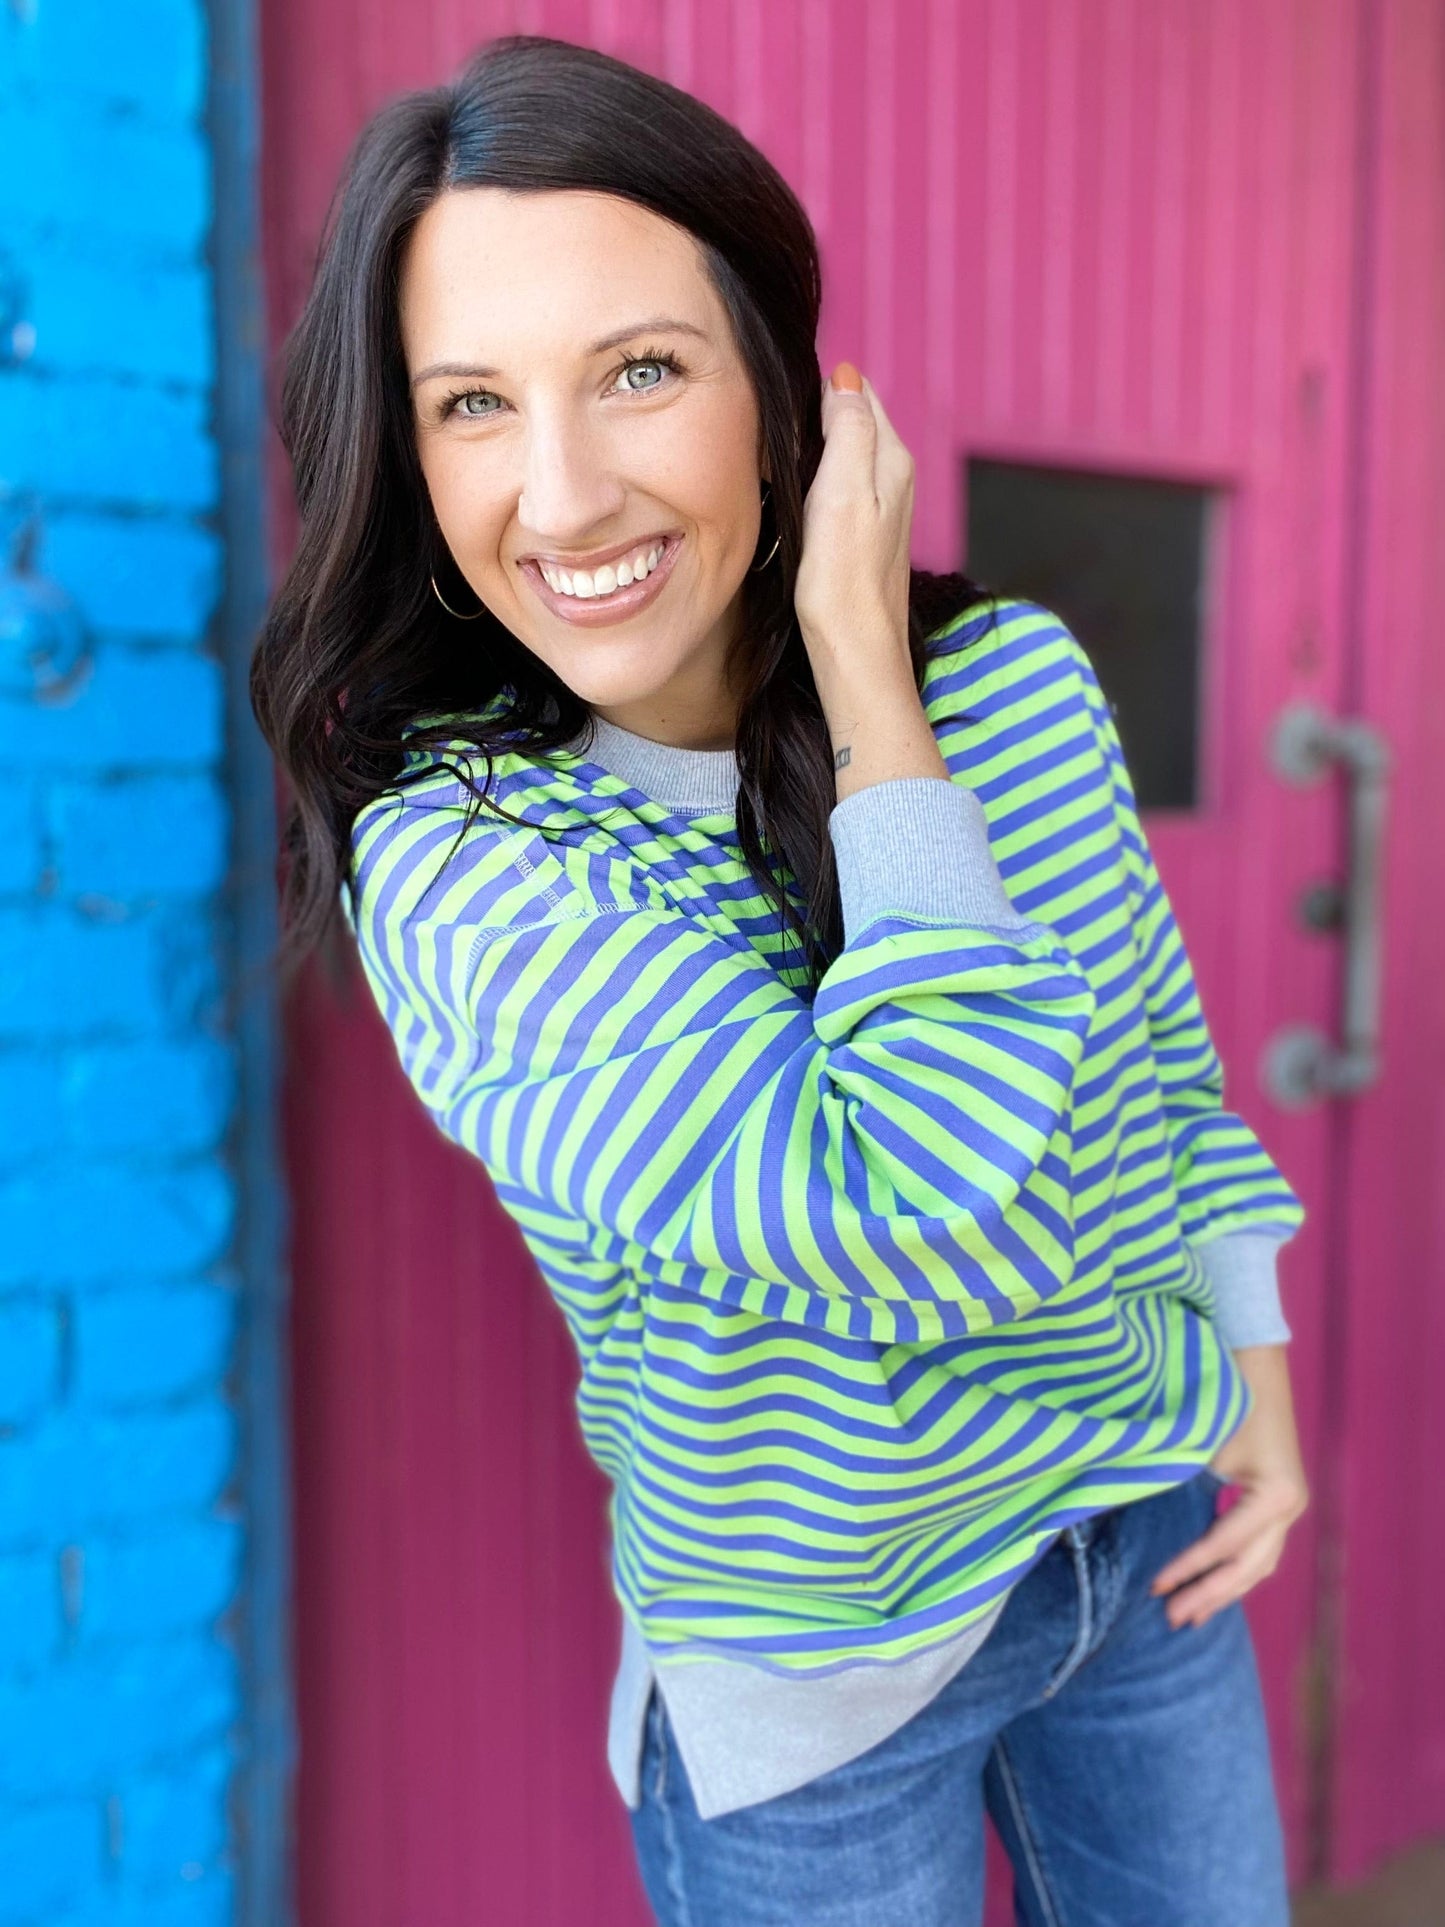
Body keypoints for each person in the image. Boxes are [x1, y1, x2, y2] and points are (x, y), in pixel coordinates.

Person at [250, 33, 1310, 1927]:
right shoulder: (468, 858)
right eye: (471, 404)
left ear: (778, 382)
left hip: (1132, 1530)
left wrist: (1253, 1357)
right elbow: (901, 1204)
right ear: (407, 457)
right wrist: (872, 692)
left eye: (637, 371)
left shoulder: (1013, 681)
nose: (562, 497)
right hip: (817, 1675)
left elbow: (1155, 1056)